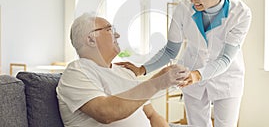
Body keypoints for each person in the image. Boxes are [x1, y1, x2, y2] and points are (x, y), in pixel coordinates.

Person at [116, 0, 252, 127]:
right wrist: (141, 69)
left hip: (226, 77)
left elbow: (224, 59)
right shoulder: (183, 9)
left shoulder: (240, 13)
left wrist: (197, 75)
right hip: (191, 77)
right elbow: (170, 51)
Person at [56, 13, 189, 127]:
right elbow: (105, 113)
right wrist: (157, 82)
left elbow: (152, 115)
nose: (117, 35)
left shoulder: (125, 72)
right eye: (109, 30)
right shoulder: (77, 72)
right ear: (91, 40)